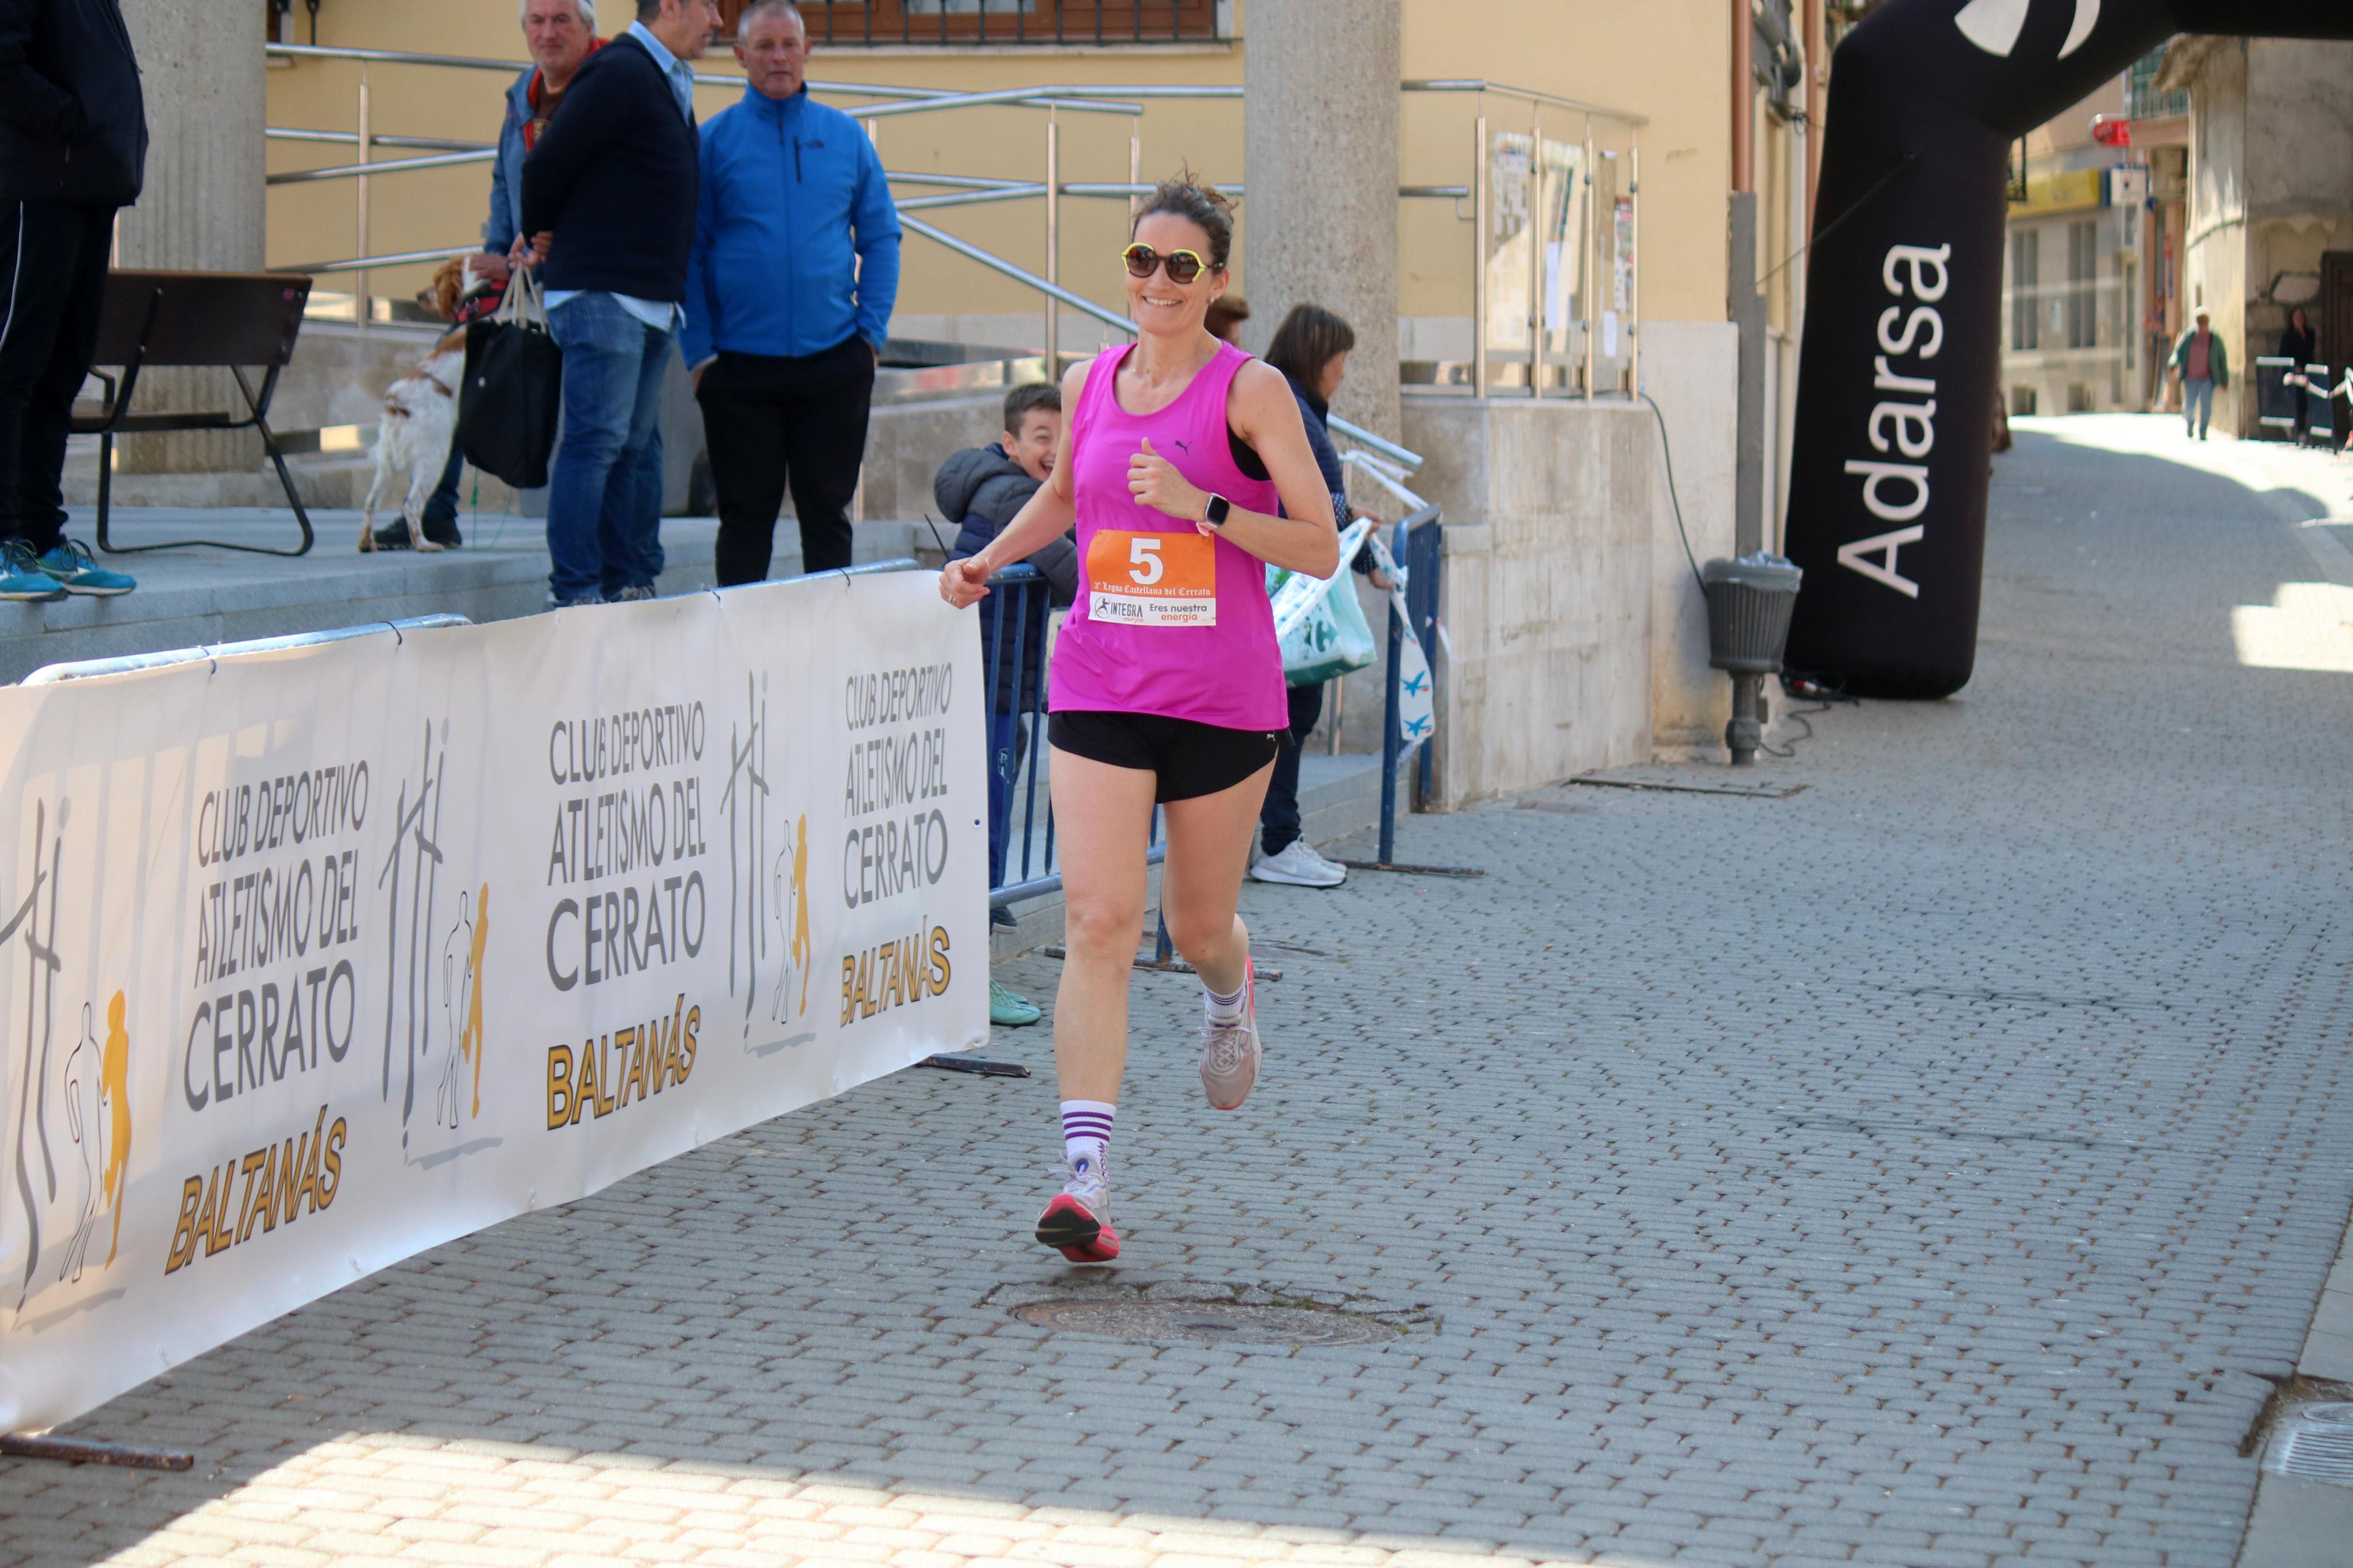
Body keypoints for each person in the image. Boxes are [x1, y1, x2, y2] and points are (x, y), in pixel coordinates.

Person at [939, 173, 1340, 1263]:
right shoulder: (1090, 380)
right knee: (1099, 924)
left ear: (1214, 282)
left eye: (1180, 267)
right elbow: (1067, 497)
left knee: (1194, 924)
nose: (1155, 283)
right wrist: (986, 559)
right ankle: (1083, 1180)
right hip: (1101, 681)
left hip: (1220, 699)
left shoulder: (1249, 392)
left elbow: (1318, 542)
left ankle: (1226, 988)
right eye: (1139, 262)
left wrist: (1205, 508)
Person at [373, 0, 603, 552]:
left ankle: (603, 537)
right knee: (452, 360)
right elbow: (506, 184)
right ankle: (435, 512)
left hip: (590, 275)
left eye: (562, 20)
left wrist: (552, 248)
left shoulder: (608, 84)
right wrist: (492, 264)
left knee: (600, 416)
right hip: (521, 274)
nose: (547, 33)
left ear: (589, 29)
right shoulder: (521, 97)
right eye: (536, 21)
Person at [683, 0, 900, 584]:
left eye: (788, 45)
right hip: (736, 369)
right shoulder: (713, 143)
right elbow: (689, 251)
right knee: (744, 520)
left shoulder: (846, 137)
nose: (777, 57)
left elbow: (881, 237)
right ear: (739, 56)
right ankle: (740, 659)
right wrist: (700, 353)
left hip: (833, 362)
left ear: (806, 51)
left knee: (827, 518)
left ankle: (829, 654)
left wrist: (869, 339)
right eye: (763, 46)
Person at [519, 0, 716, 607]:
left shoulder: (654, 74)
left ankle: (623, 578)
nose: (716, 20)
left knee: (629, 448)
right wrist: (542, 231)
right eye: (709, 5)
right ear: (674, 6)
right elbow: (544, 166)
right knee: (595, 443)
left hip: (650, 299)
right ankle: (576, 590)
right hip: (605, 294)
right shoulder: (622, 71)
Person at [0, 0, 144, 603]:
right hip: (38, 184)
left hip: (88, 186)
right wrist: (74, 121)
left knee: (61, 373)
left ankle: (41, 537)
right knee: (13, 367)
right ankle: (5, 541)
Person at [941, 382, 1073, 1029]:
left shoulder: (993, 486)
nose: (1054, 450)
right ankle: (971, 981)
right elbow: (1073, 575)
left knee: (982, 825)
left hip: (989, 681)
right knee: (983, 832)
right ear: (1010, 443)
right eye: (1041, 437)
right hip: (987, 684)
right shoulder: (1017, 496)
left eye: (1063, 435)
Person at [1248, 303, 1393, 890]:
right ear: (1318, 356)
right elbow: (1322, 505)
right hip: (1285, 586)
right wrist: (1365, 555)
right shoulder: (1293, 409)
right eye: (1341, 358)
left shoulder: (1288, 402)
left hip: (1277, 577)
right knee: (1288, 714)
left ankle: (1274, 837)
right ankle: (1279, 841)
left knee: (1283, 715)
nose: (1343, 370)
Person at [2170, 310, 2228, 442]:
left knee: (2206, 406)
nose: (2202, 325)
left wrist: (2224, 379)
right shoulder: (2189, 337)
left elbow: (2222, 359)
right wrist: (2173, 363)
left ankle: (2203, 430)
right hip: (2191, 378)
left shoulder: (2214, 339)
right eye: (2199, 322)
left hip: (2207, 378)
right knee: (2189, 406)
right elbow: (2178, 352)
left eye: (2204, 322)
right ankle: (2190, 423)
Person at [2279, 305, 2319, 443]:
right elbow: (2283, 355)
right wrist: (2294, 368)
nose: (2299, 320)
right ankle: (2297, 429)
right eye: (2296, 317)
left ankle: (2306, 429)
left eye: (2301, 317)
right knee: (2296, 401)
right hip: (2293, 375)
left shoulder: (2310, 333)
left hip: (2307, 373)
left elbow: (2310, 352)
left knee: (2307, 402)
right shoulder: (2288, 336)